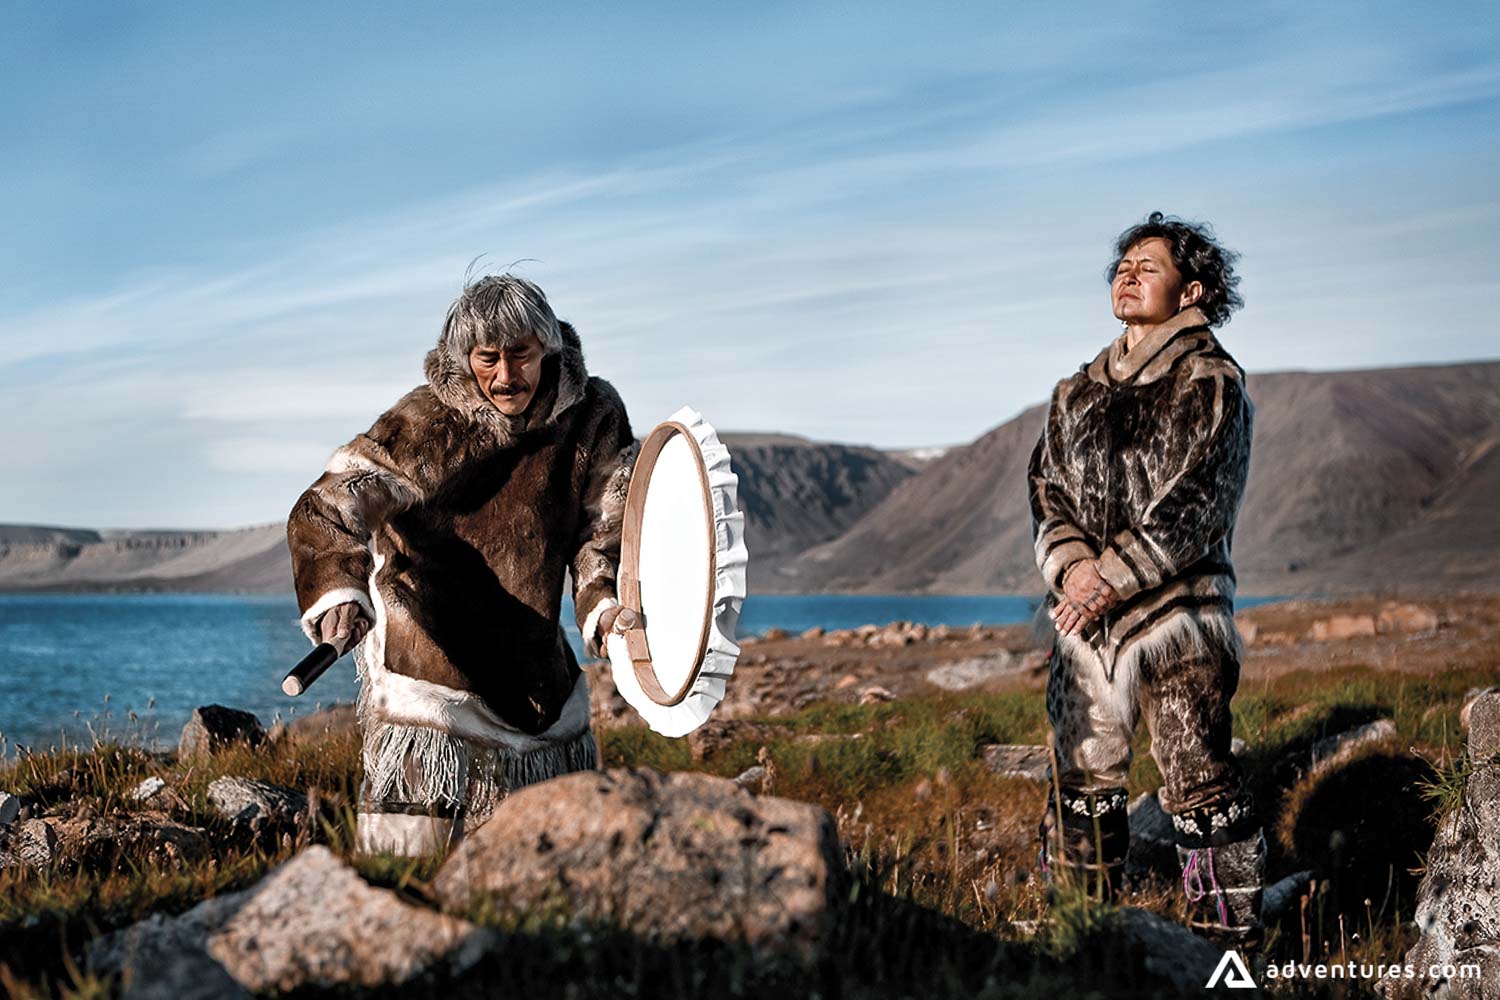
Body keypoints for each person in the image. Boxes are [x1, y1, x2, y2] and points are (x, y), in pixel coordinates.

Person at [287, 274, 637, 855]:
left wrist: (601, 602)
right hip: (429, 662)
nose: (506, 376)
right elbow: (330, 502)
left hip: (532, 664)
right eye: (488, 358)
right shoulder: (423, 423)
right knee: (410, 856)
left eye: (521, 354)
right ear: (464, 358)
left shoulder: (593, 414)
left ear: (547, 346)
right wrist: (340, 593)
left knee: (540, 860)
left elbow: (604, 524)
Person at [1028, 212, 1260, 940]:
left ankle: (1226, 950)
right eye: (1123, 264)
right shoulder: (1075, 392)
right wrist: (1072, 571)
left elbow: (1198, 500)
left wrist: (1112, 577)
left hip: (1178, 616)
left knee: (1197, 782)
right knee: (1081, 778)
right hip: (1084, 621)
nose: (1127, 273)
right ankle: (1079, 935)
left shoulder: (1212, 382)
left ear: (1191, 291)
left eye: (1148, 265)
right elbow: (1046, 489)